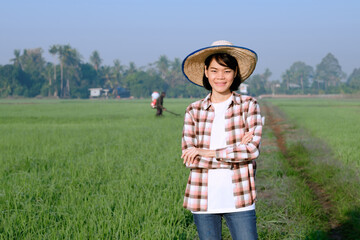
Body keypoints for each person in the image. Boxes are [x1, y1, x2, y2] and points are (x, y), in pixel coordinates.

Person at [181, 40, 262, 240]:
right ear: (206, 72)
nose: (220, 77)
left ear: (235, 73)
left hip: (240, 197)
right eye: (215, 70)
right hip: (203, 198)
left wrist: (205, 151)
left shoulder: (249, 105)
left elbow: (251, 151)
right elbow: (190, 159)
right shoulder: (194, 110)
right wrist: (236, 149)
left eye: (227, 71)